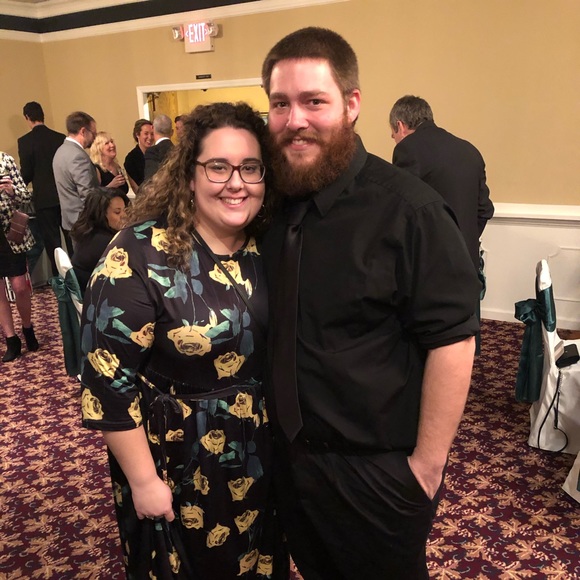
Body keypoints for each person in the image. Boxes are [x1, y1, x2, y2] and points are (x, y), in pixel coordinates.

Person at [261, 27, 480, 579]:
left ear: (352, 104)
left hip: (375, 471)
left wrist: (424, 471)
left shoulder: (410, 211)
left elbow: (453, 340)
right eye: (281, 103)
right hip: (287, 460)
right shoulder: (270, 205)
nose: (295, 119)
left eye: (314, 101)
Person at [80, 102, 286, 578]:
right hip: (179, 459)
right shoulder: (139, 253)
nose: (236, 182)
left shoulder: (270, 243)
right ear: (189, 174)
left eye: (250, 167)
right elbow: (107, 384)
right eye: (218, 167)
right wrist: (143, 480)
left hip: (264, 449)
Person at [389, 95, 494, 270]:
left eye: (393, 135)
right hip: (468, 263)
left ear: (400, 126)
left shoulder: (408, 148)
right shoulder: (470, 151)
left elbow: (401, 209)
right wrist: (463, 240)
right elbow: (485, 210)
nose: (394, 139)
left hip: (431, 265)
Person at [18, 101, 70, 275]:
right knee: (71, 239)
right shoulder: (59, 138)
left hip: (43, 199)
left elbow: (26, 173)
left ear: (27, 117)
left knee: (53, 244)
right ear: (43, 115)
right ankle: (77, 276)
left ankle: (59, 279)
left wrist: (17, 189)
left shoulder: (25, 142)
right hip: (63, 195)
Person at [0, 151, 39, 362]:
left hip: (12, 234)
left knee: (20, 287)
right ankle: (11, 339)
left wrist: (12, 190)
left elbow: (26, 195)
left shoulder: (5, 160)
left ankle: (27, 328)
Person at [52, 111, 104, 235]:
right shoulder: (77, 155)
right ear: (83, 131)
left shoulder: (60, 151)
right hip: (84, 223)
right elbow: (87, 194)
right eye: (93, 133)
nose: (94, 138)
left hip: (70, 220)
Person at [70, 189, 129, 292]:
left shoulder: (87, 233)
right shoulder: (106, 242)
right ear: (101, 215)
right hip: (97, 294)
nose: (124, 216)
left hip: (89, 290)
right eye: (117, 212)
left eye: (126, 210)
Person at [124, 119, 154, 193]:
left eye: (152, 134)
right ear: (137, 134)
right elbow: (136, 187)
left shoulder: (157, 153)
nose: (150, 137)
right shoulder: (131, 159)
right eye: (146, 134)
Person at [143, 114, 174, 181]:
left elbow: (150, 180)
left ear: (152, 128)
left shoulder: (152, 152)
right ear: (172, 132)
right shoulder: (179, 150)